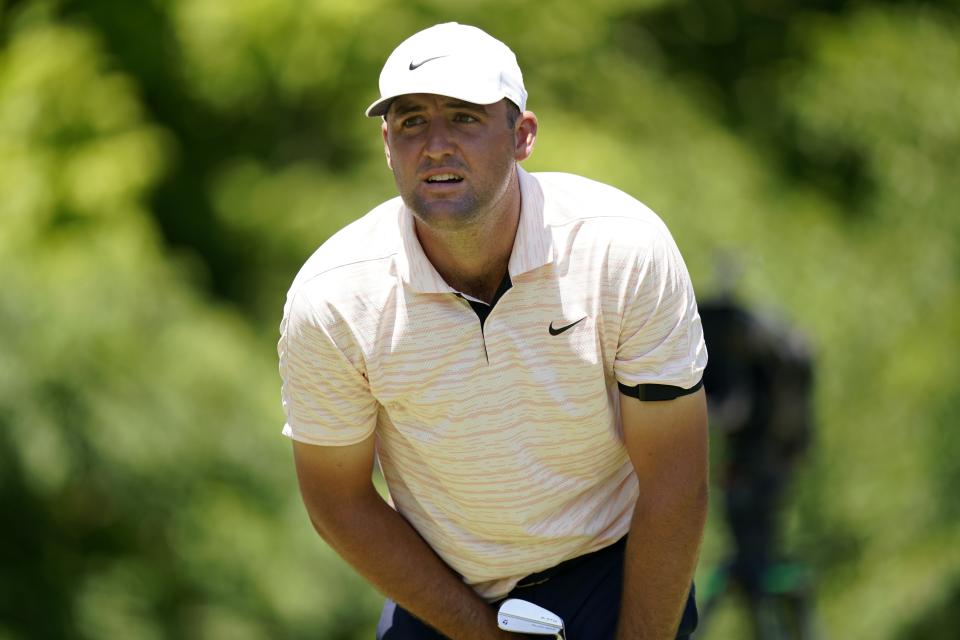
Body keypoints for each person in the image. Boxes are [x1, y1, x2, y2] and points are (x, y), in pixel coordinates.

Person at [278, 22, 708, 640]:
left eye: (464, 118)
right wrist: (480, 632)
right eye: (411, 122)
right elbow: (337, 500)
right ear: (386, 143)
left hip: (611, 569)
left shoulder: (623, 249)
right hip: (445, 592)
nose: (436, 145)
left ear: (523, 135)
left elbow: (675, 476)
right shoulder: (334, 299)